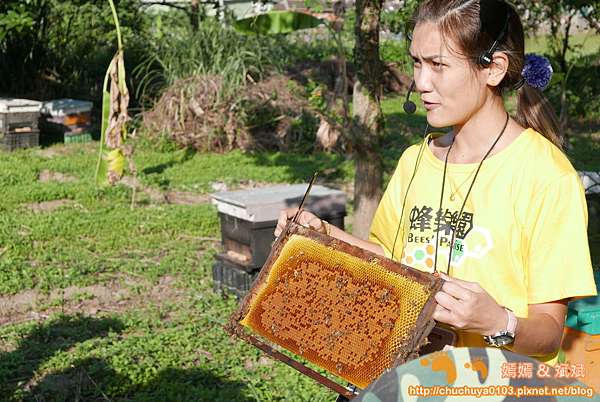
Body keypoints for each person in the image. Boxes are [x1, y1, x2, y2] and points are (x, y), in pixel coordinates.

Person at [275, 0, 597, 367]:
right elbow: (391, 263)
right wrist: (323, 235)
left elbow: (548, 334)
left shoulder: (547, 176)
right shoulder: (416, 160)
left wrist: (497, 321)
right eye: (416, 62)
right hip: (409, 375)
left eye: (438, 65)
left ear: (494, 69)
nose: (421, 82)